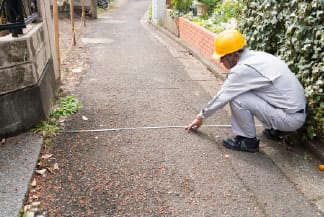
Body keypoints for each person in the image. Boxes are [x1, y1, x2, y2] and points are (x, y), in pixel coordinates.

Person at [185, 29, 307, 153]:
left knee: (238, 97)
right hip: (296, 111)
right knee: (256, 91)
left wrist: (201, 117)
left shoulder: (242, 69)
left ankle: (248, 141)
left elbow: (222, 96)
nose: (220, 61)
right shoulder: (259, 56)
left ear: (235, 55)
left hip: (290, 118)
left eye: (222, 57)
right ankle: (276, 130)